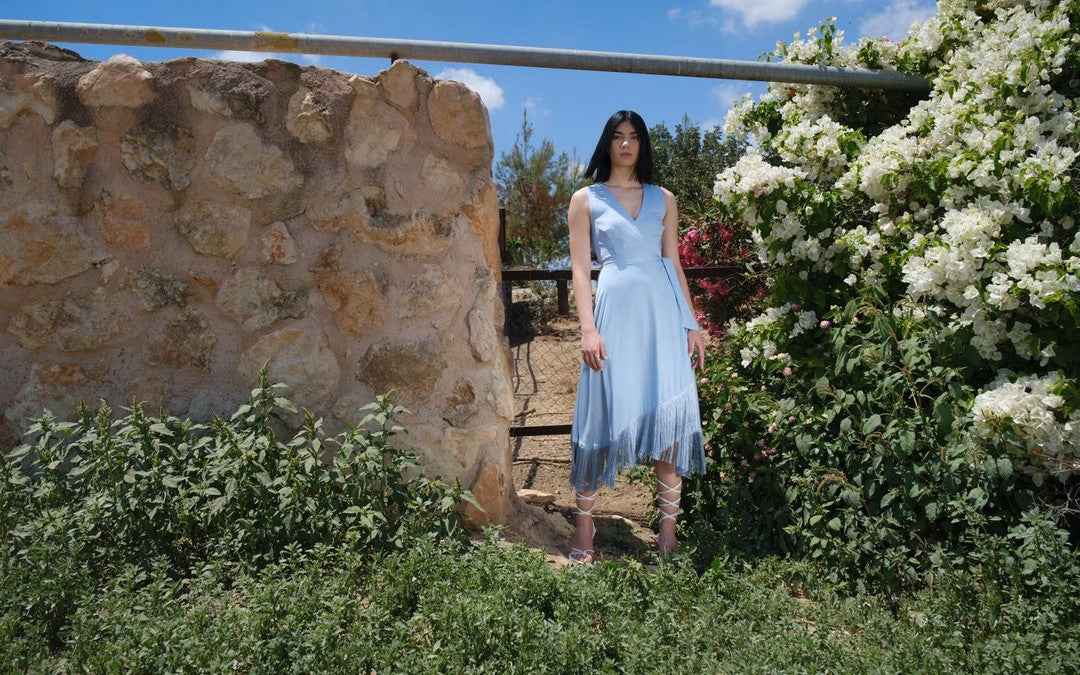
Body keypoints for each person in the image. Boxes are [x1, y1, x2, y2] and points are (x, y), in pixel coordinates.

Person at [565, 110, 707, 564]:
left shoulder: (664, 198)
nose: (626, 144)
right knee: (599, 413)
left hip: (662, 317)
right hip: (613, 317)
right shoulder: (585, 199)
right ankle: (584, 528)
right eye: (617, 136)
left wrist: (691, 322)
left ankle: (667, 535)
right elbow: (580, 269)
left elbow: (672, 262)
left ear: (642, 144)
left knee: (670, 416)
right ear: (607, 143)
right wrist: (588, 328)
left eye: (633, 137)